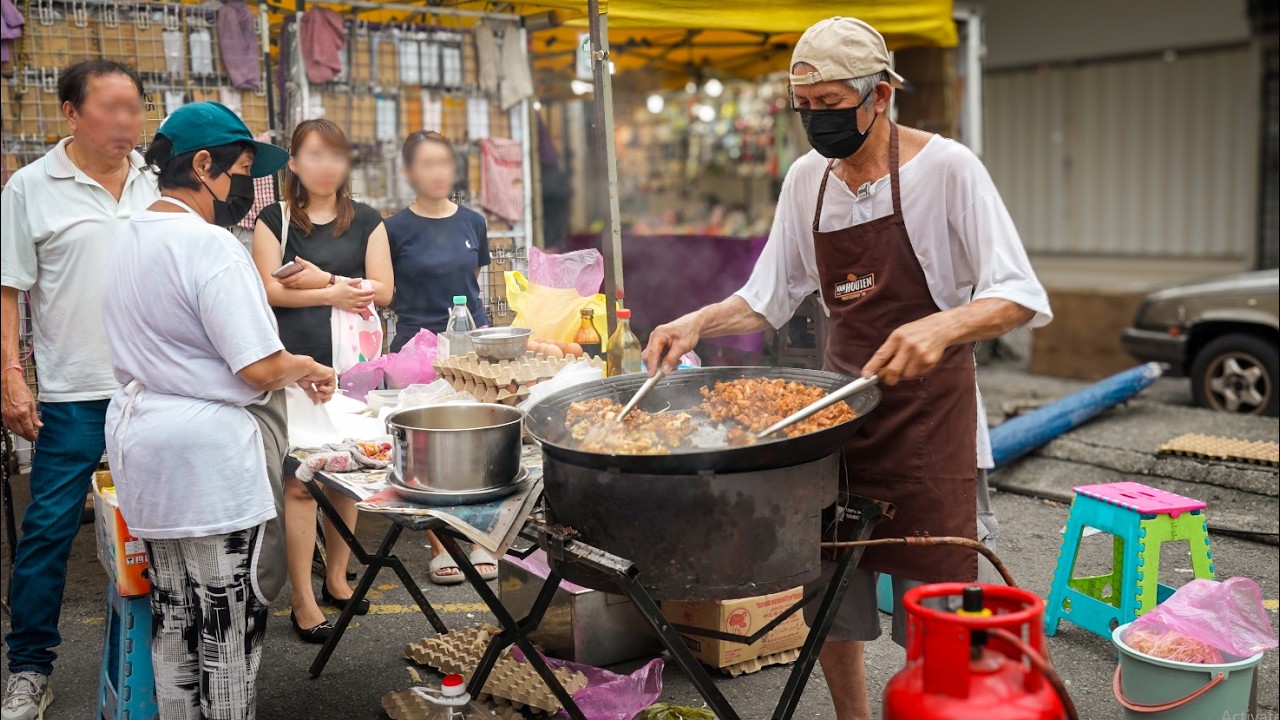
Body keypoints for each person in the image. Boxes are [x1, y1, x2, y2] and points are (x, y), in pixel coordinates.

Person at [643, 18, 1052, 720]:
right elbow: (769, 296)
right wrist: (696, 322)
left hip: (933, 424)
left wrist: (944, 324)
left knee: (940, 604)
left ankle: (937, 708)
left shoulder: (948, 169)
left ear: (881, 96)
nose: (817, 121)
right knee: (831, 594)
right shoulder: (809, 180)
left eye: (832, 104)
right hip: (838, 418)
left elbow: (1019, 294)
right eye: (807, 108)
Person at [100, 101, 335, 720]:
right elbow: (257, 367)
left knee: (175, 613)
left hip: (143, 446)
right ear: (202, 165)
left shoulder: (124, 236)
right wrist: (308, 366)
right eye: (239, 173)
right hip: (207, 461)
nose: (246, 192)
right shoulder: (210, 246)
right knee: (230, 626)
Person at [0, 59, 157, 720]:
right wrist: (11, 377)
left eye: (134, 108)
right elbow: (8, 290)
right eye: (111, 108)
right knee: (48, 533)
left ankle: (168, 660)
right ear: (70, 112)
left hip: (157, 391)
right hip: (74, 394)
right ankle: (30, 668)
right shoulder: (30, 189)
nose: (126, 121)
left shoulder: (156, 180)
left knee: (166, 530)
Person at [251, 118, 393, 643]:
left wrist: (331, 280)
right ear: (292, 162)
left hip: (351, 372)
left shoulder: (368, 220)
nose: (325, 165)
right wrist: (330, 295)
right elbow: (265, 291)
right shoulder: (275, 219)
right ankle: (302, 600)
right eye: (313, 154)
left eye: (335, 155)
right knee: (300, 484)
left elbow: (384, 289)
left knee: (347, 475)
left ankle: (336, 577)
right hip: (291, 370)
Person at [383, 130, 498, 584]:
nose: (437, 173)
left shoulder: (472, 222)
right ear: (408, 172)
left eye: (444, 163)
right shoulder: (392, 229)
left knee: (480, 443)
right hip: (416, 350)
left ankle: (480, 538)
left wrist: (485, 338)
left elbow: (472, 286)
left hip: (471, 347)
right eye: (426, 164)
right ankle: (441, 543)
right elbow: (385, 292)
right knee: (429, 453)